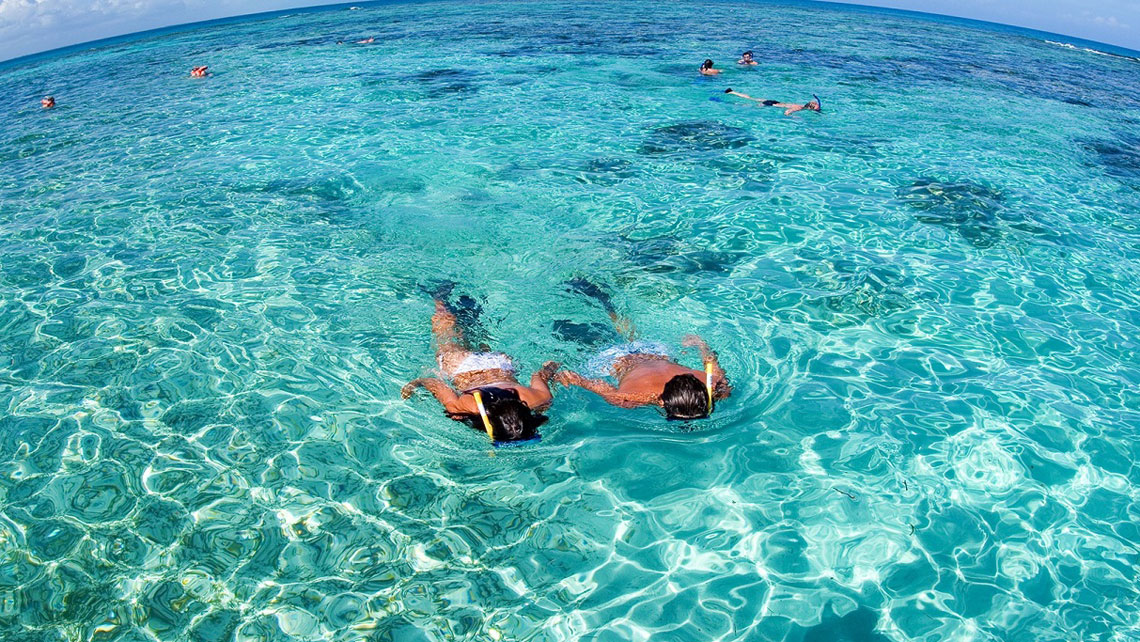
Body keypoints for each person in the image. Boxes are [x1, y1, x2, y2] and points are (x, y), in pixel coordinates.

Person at [554, 278, 731, 420]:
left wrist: (701, 344)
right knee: (573, 334)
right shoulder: (628, 398)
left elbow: (710, 361)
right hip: (614, 360)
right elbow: (598, 385)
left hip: (656, 350)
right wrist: (578, 380)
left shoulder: (714, 384)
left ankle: (607, 304)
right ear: (661, 402)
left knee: (630, 334)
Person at [401, 291, 558, 445]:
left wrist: (553, 366)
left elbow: (539, 375)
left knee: (476, 333)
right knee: (445, 332)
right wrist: (416, 383)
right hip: (461, 368)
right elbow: (435, 383)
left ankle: (467, 303)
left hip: (499, 363)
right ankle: (439, 298)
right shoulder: (467, 407)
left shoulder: (538, 398)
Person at [724, 88, 821, 115]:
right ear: (809, 108)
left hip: (774, 101)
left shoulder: (800, 105)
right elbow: (787, 112)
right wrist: (795, 117)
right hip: (770, 105)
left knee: (750, 98)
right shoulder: (799, 108)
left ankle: (732, 92)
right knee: (747, 105)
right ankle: (731, 103)